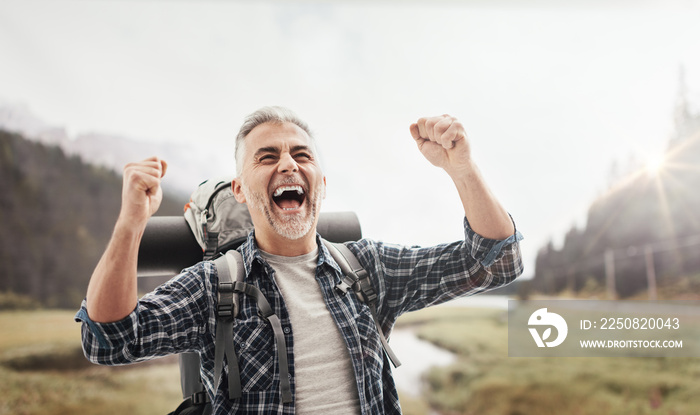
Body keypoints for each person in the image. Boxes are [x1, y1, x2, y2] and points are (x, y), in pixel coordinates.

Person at [75, 106, 523, 414]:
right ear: (239, 189)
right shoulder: (215, 286)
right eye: (267, 157)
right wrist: (131, 223)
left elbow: (494, 262)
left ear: (321, 183)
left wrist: (461, 168)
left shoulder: (369, 270)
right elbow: (109, 340)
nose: (287, 164)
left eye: (300, 154)